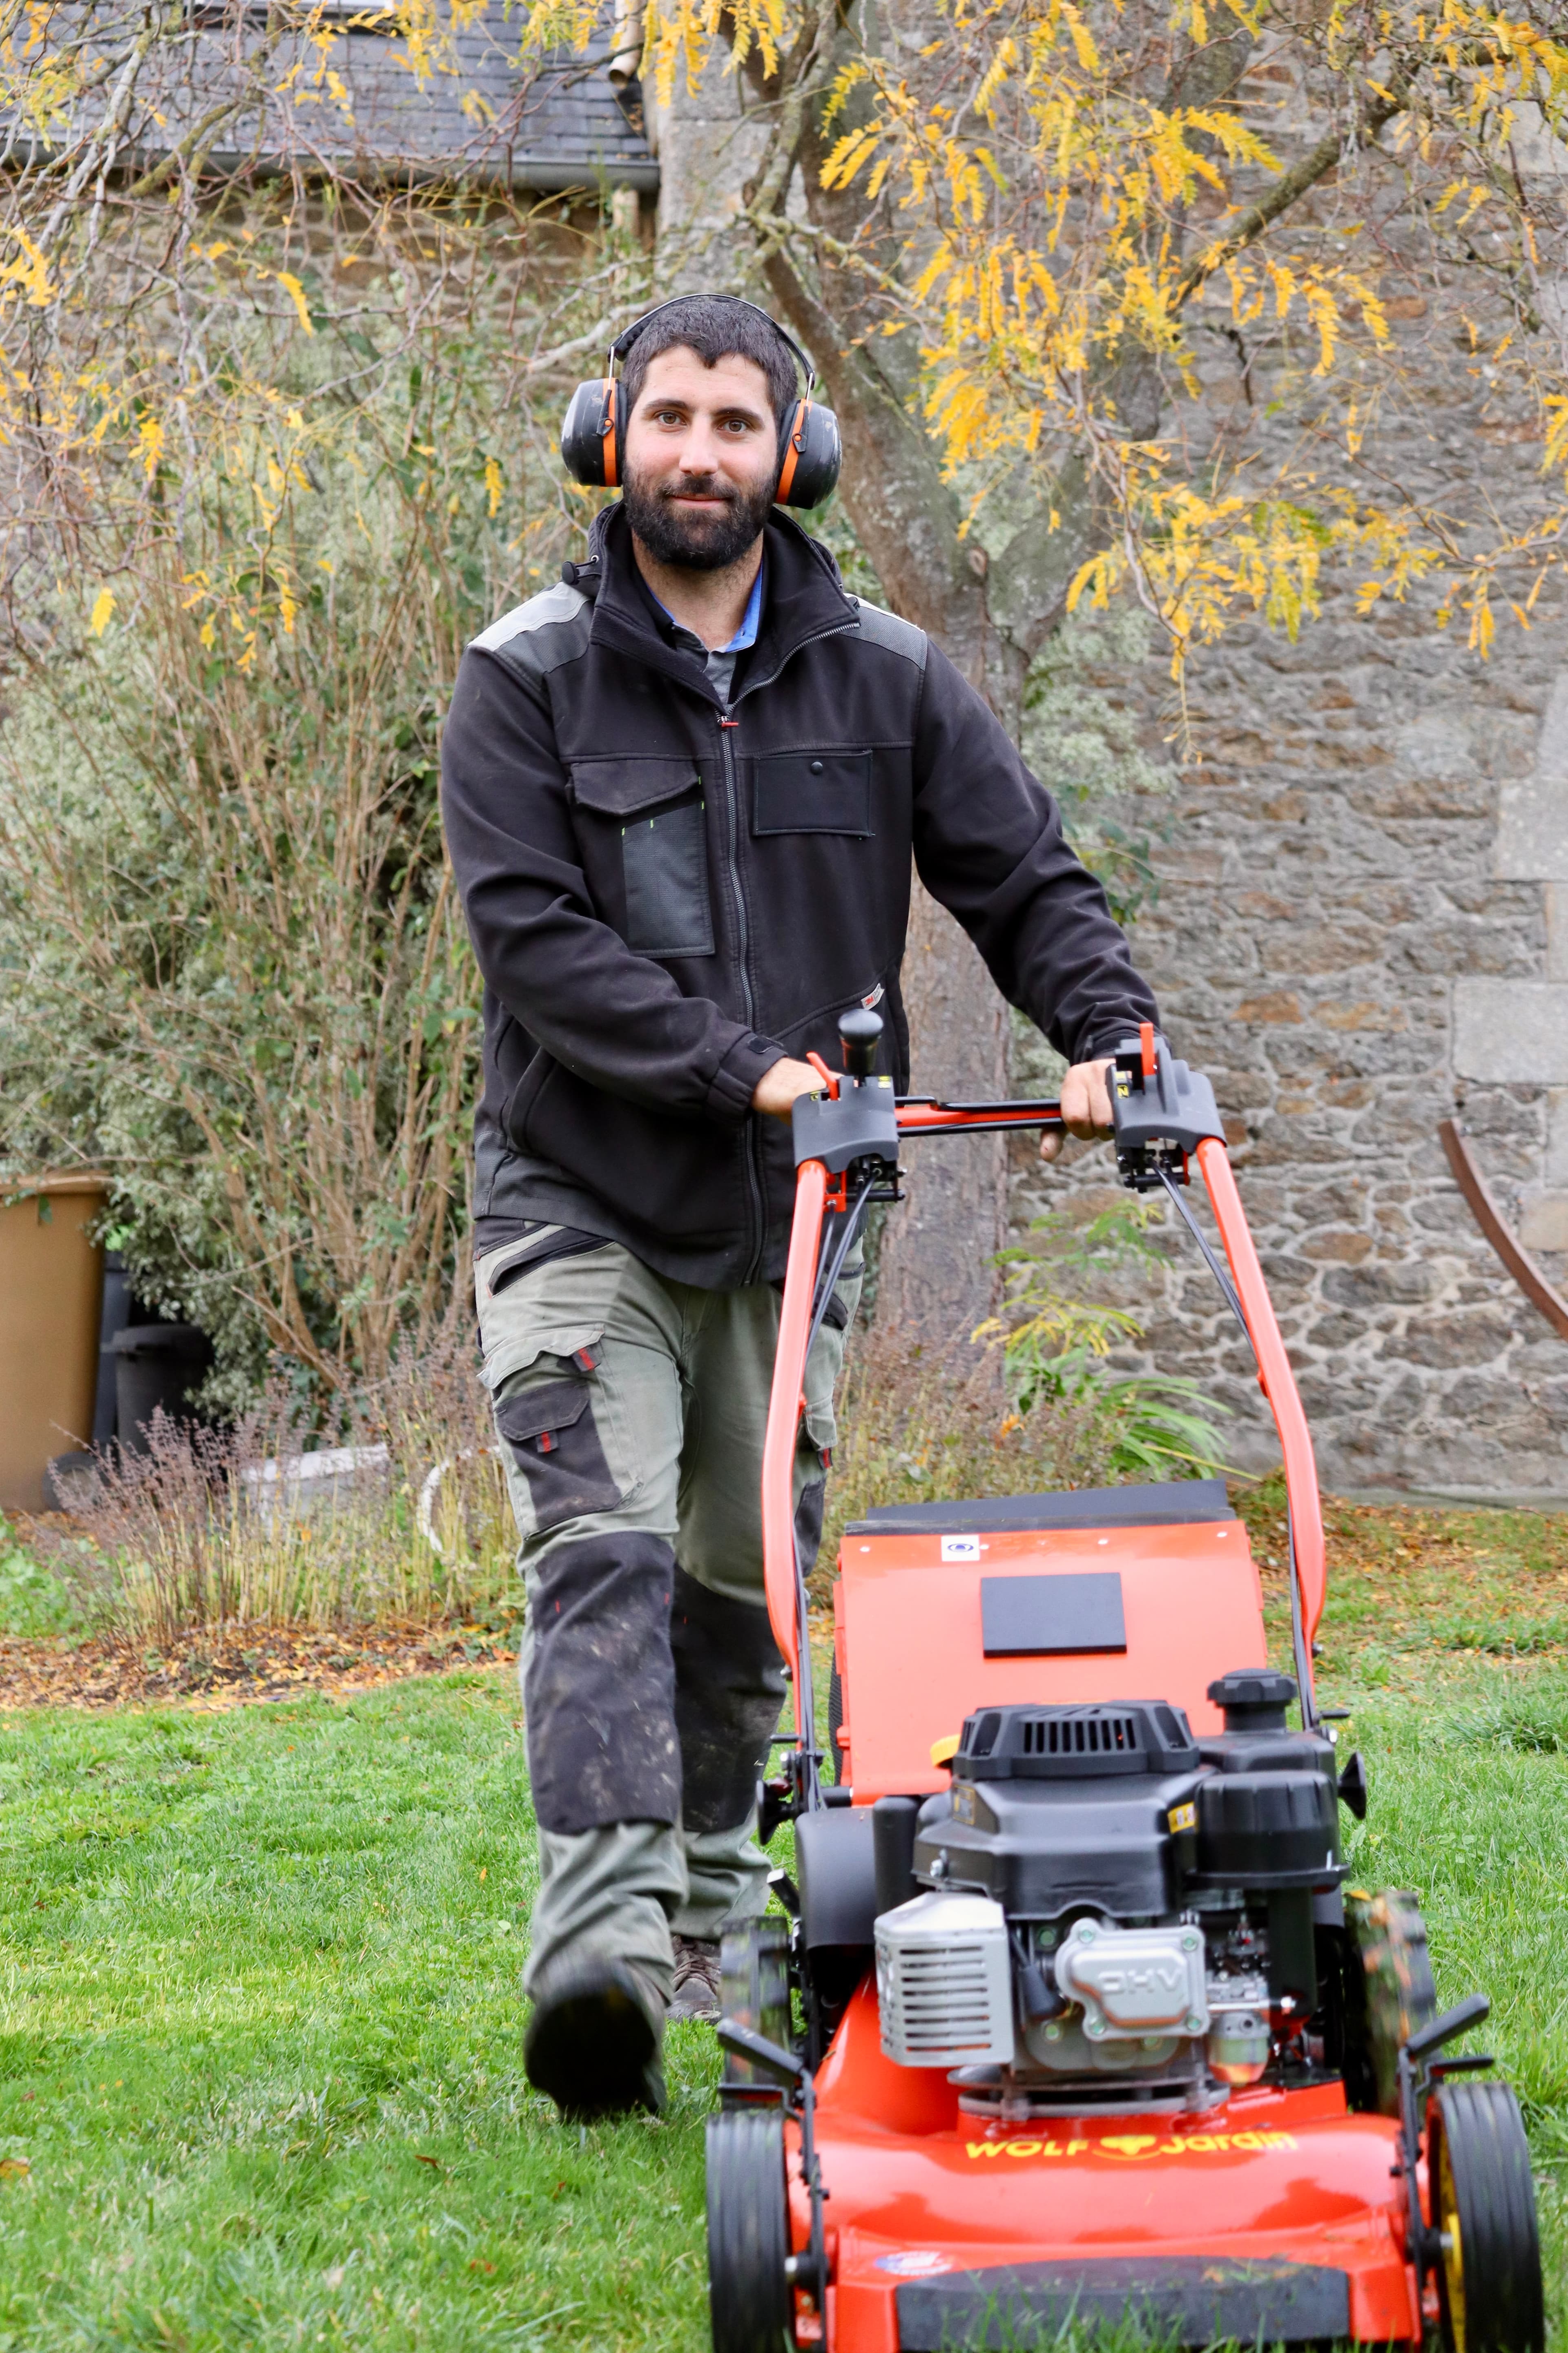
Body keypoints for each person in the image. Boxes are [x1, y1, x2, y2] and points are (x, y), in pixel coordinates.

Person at [439, 291, 1160, 2121]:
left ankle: (710, 1929)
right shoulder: (522, 674)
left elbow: (1026, 875)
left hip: (800, 1215)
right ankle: (600, 1963)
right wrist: (739, 1064)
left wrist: (1111, 1031)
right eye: (669, 416)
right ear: (614, 433)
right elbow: (536, 949)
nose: (699, 453)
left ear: (794, 456)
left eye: (735, 425)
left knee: (742, 1587)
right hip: (578, 1203)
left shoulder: (890, 674)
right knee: (599, 1558)